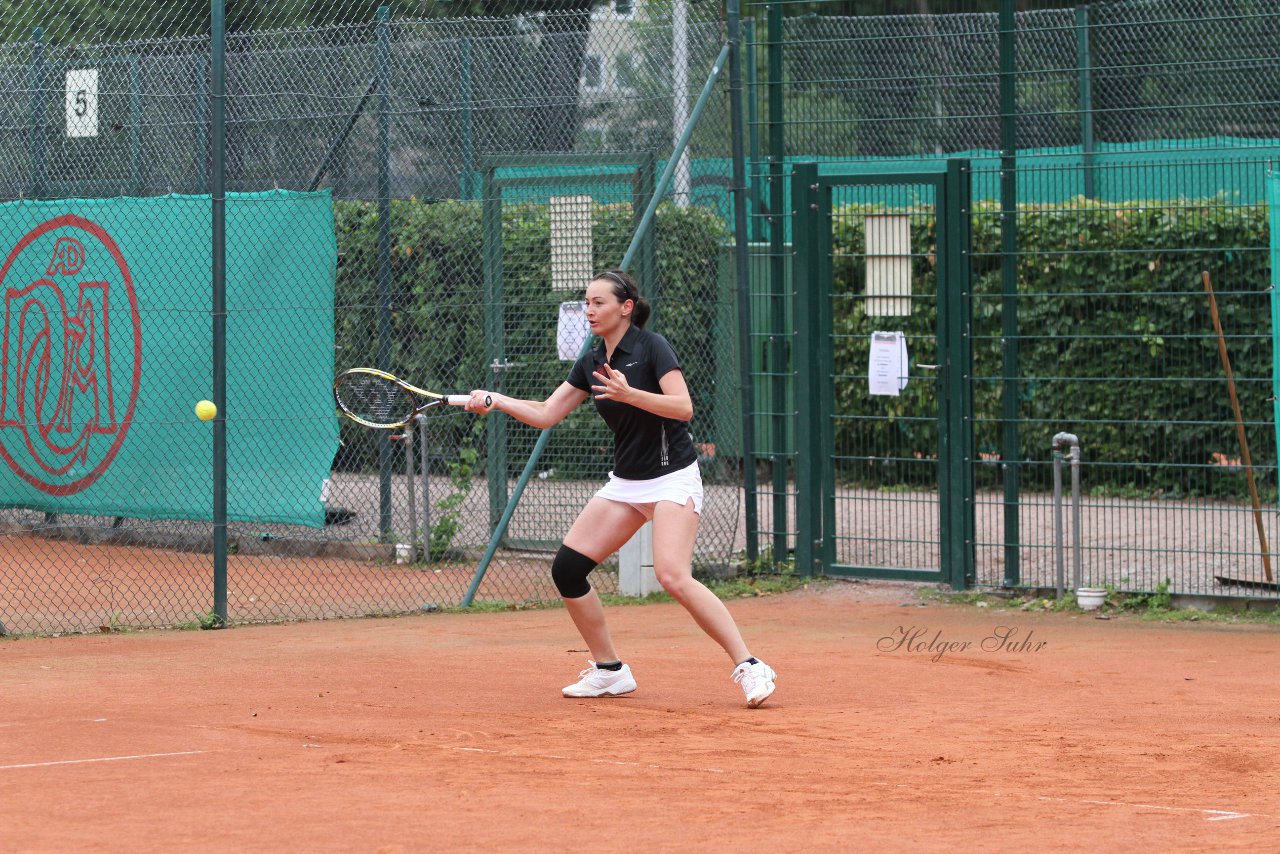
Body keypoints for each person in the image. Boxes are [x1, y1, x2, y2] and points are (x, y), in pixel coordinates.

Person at [465, 269, 777, 708]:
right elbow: (546, 413)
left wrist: (632, 395)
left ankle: (750, 665)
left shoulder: (653, 348)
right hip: (627, 483)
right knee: (567, 570)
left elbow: (683, 408)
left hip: (673, 477)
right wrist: (496, 400)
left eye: (598, 303)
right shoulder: (591, 361)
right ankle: (610, 670)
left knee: (672, 575)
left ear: (625, 307)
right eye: (587, 302)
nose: (589, 310)